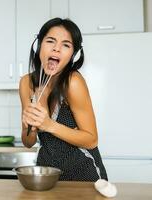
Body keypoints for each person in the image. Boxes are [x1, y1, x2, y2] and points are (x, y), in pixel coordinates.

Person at [19, 18, 108, 181]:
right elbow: (28, 141)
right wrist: (27, 127)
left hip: (83, 173)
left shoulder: (73, 82)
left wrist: (48, 125)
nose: (56, 49)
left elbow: (91, 139)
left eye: (66, 45)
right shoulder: (27, 83)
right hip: (47, 174)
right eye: (50, 41)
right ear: (38, 45)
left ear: (73, 55)